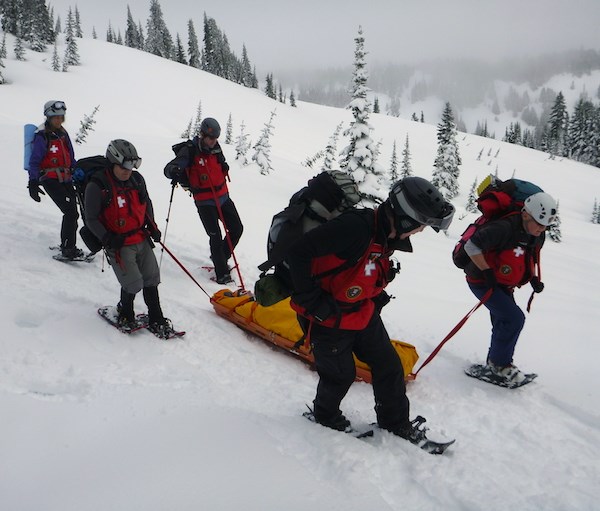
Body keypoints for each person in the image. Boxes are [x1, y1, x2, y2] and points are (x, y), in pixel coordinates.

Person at [286, 176, 455, 443]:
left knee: (389, 366)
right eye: (421, 225)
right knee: (340, 376)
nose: (421, 231)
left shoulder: (383, 233)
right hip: (327, 316)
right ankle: (325, 416)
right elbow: (298, 252)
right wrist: (311, 301)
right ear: (406, 218)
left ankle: (395, 423)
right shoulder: (355, 227)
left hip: (359, 311)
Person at [462, 191, 557, 385]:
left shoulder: (536, 234)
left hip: (503, 283)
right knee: (514, 318)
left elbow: (526, 256)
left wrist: (533, 279)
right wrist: (486, 271)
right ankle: (499, 365)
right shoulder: (503, 228)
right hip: (481, 281)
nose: (542, 229)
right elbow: (471, 247)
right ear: (525, 214)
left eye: (546, 225)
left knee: (504, 322)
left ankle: (495, 365)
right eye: (539, 223)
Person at [84, 139, 175, 338]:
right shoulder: (98, 185)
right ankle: (125, 313)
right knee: (133, 283)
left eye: (132, 165)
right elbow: (90, 218)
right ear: (112, 162)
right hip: (118, 242)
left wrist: (153, 227)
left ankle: (156, 317)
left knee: (152, 278)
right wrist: (107, 238)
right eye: (124, 166)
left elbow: (146, 204)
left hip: (140, 237)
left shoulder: (137, 180)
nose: (128, 170)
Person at [164, 117, 243, 284]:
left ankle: (220, 256)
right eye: (211, 138)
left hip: (223, 197)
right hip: (205, 202)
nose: (213, 142)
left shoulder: (216, 149)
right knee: (215, 235)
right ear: (202, 135)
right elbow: (169, 168)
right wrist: (174, 171)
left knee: (237, 229)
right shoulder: (190, 151)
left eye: (215, 139)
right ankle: (222, 274)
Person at [28, 100, 83, 259]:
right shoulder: (42, 135)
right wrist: (33, 182)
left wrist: (75, 171)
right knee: (70, 212)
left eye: (61, 117)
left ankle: (67, 244)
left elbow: (70, 156)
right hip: (50, 179)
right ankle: (68, 249)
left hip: (65, 179)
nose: (59, 120)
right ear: (48, 117)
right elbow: (35, 161)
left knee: (73, 212)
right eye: (55, 117)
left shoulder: (63, 134)